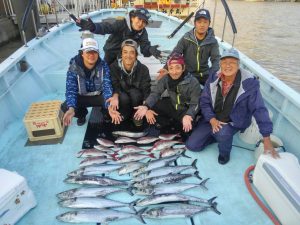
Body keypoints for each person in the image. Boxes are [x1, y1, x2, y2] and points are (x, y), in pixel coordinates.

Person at [185, 48, 280, 164]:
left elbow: (259, 109)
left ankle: (224, 153)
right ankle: (215, 136)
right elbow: (204, 101)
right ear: (220, 64)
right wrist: (212, 119)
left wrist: (266, 138)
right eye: (224, 62)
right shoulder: (213, 78)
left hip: (233, 121)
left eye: (232, 62)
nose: (228, 66)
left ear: (238, 64)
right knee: (192, 146)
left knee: (223, 133)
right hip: (213, 118)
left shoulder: (249, 83)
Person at [134, 53, 201, 134]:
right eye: (171, 68)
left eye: (178, 68)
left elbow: (195, 103)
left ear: (183, 68)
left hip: (185, 110)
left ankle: (177, 125)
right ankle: (166, 124)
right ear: (168, 69)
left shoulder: (193, 82)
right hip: (173, 105)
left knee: (188, 129)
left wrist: (189, 115)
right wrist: (146, 106)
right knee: (153, 105)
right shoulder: (166, 78)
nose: (174, 72)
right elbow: (156, 93)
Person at [61, 38, 121, 126]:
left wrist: (109, 107)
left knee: (112, 102)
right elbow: (71, 90)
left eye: (95, 51)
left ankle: (105, 112)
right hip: (82, 97)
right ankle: (82, 114)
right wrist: (71, 109)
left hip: (98, 96)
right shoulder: (73, 68)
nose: (92, 55)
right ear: (82, 53)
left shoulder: (104, 66)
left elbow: (107, 86)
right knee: (66, 106)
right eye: (88, 52)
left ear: (98, 53)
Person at [75, 8, 161, 65]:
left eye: (144, 22)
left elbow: (144, 48)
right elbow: (107, 27)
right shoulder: (121, 23)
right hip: (111, 53)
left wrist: (150, 49)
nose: (140, 23)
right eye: (139, 19)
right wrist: (94, 27)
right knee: (107, 73)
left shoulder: (143, 32)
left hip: (127, 56)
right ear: (132, 18)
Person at [157, 8, 220, 85]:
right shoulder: (186, 38)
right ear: (195, 23)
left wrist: (213, 74)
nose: (202, 25)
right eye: (199, 22)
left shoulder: (213, 41)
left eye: (205, 22)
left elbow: (216, 59)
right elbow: (175, 53)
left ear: (209, 24)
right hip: (188, 74)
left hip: (205, 74)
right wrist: (165, 68)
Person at [108, 39, 151, 126]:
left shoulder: (143, 69)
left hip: (136, 98)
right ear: (121, 54)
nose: (128, 55)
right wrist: (115, 96)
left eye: (132, 52)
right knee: (123, 97)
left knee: (135, 94)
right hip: (122, 97)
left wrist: (147, 106)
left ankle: (136, 113)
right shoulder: (113, 67)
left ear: (136, 55)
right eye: (125, 52)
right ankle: (125, 112)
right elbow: (114, 85)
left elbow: (146, 89)